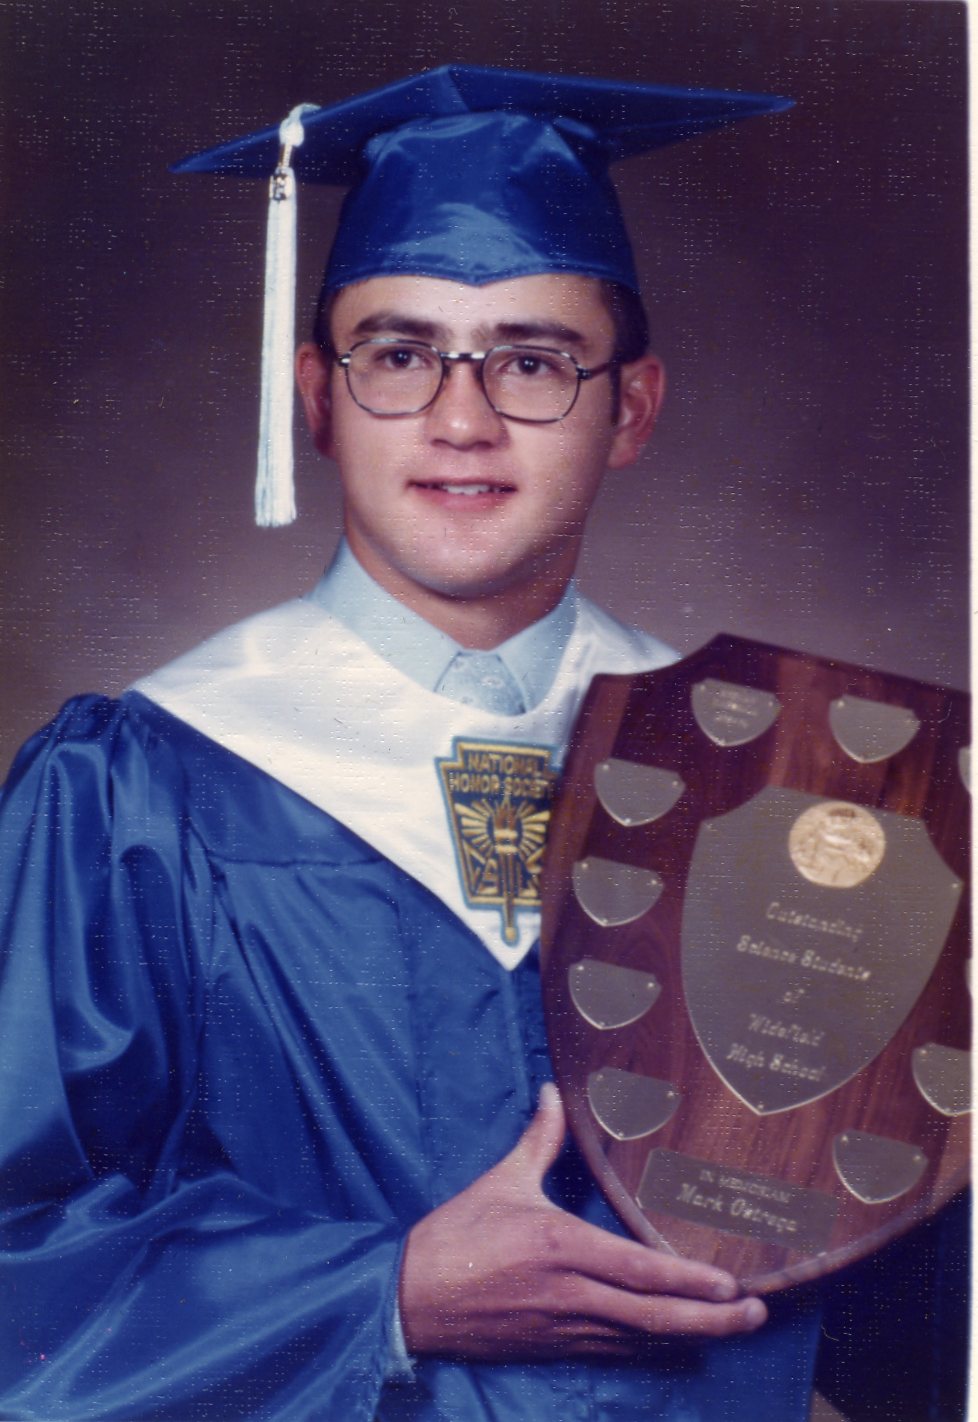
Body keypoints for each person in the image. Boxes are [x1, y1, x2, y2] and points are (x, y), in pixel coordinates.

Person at [0, 65, 840, 1421]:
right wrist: (376, 1292)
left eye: (531, 359)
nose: (461, 419)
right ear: (318, 400)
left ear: (629, 407)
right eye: (400, 355)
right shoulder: (134, 792)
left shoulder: (777, 793)